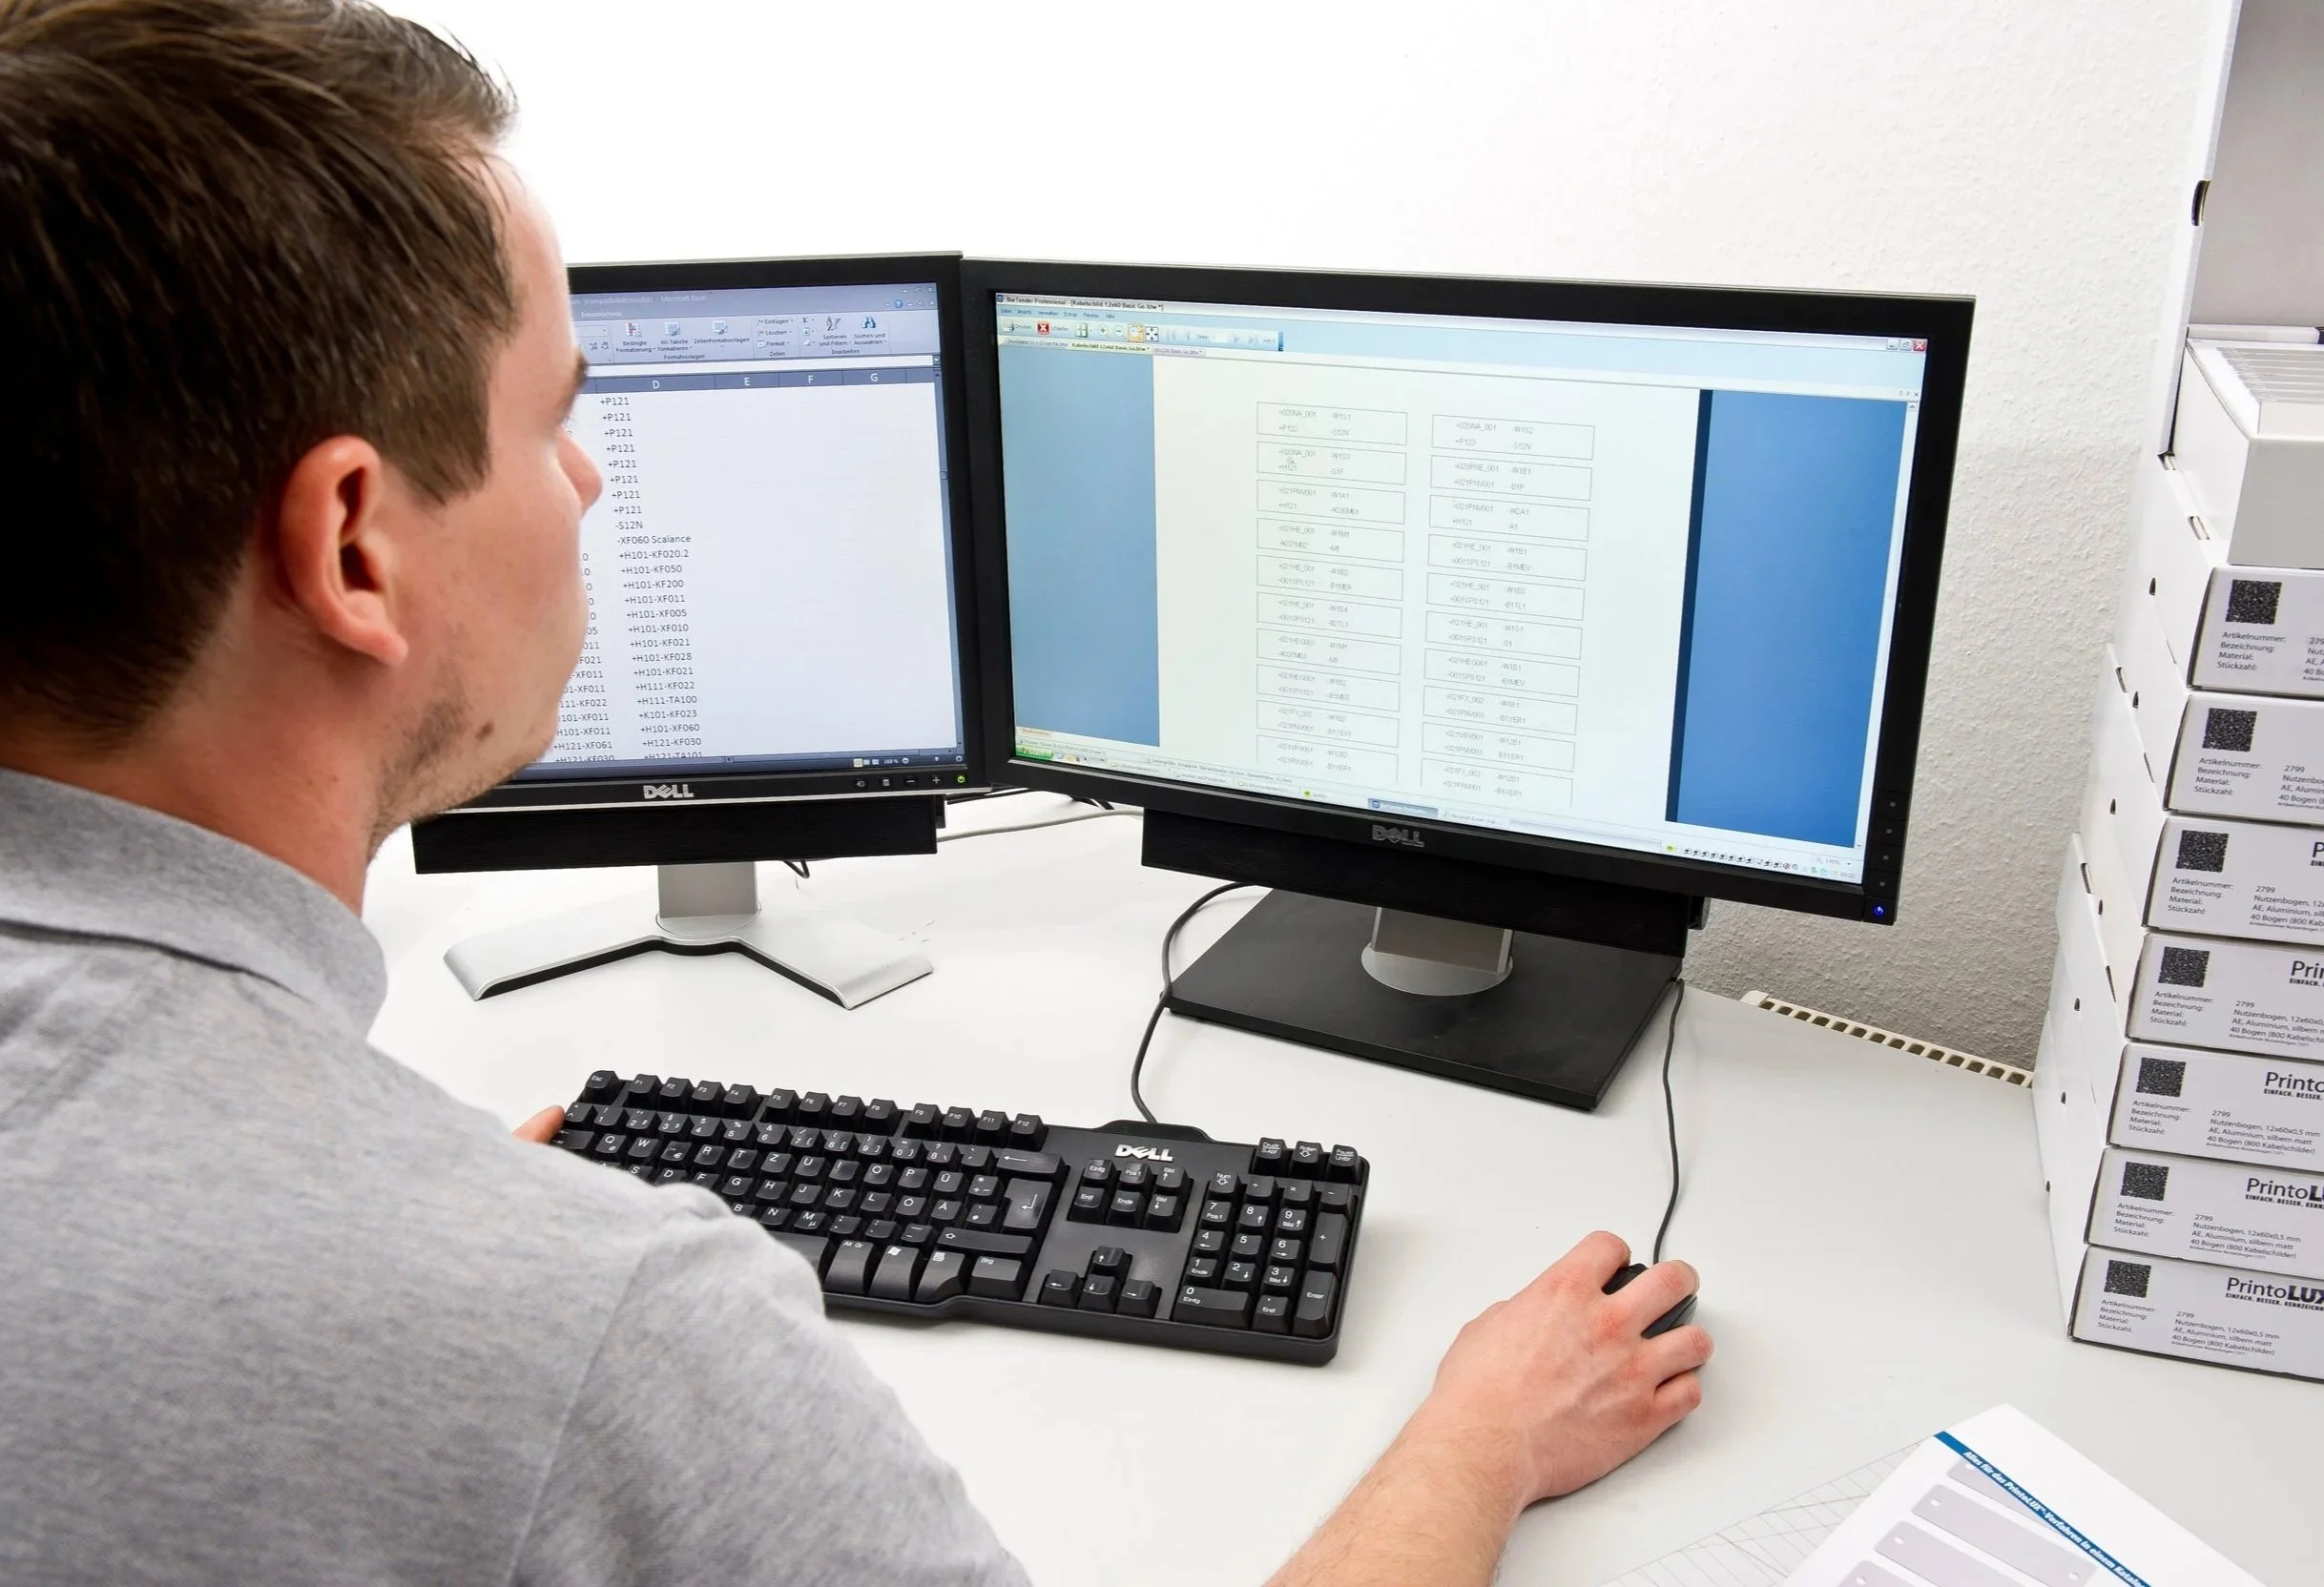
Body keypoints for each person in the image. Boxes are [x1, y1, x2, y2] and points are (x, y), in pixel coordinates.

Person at [0, 2, 1713, 1582]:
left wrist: (398, 1207)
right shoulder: (608, 1327)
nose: (590, 480)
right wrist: (1482, 1440)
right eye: (553, 417)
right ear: (355, 546)